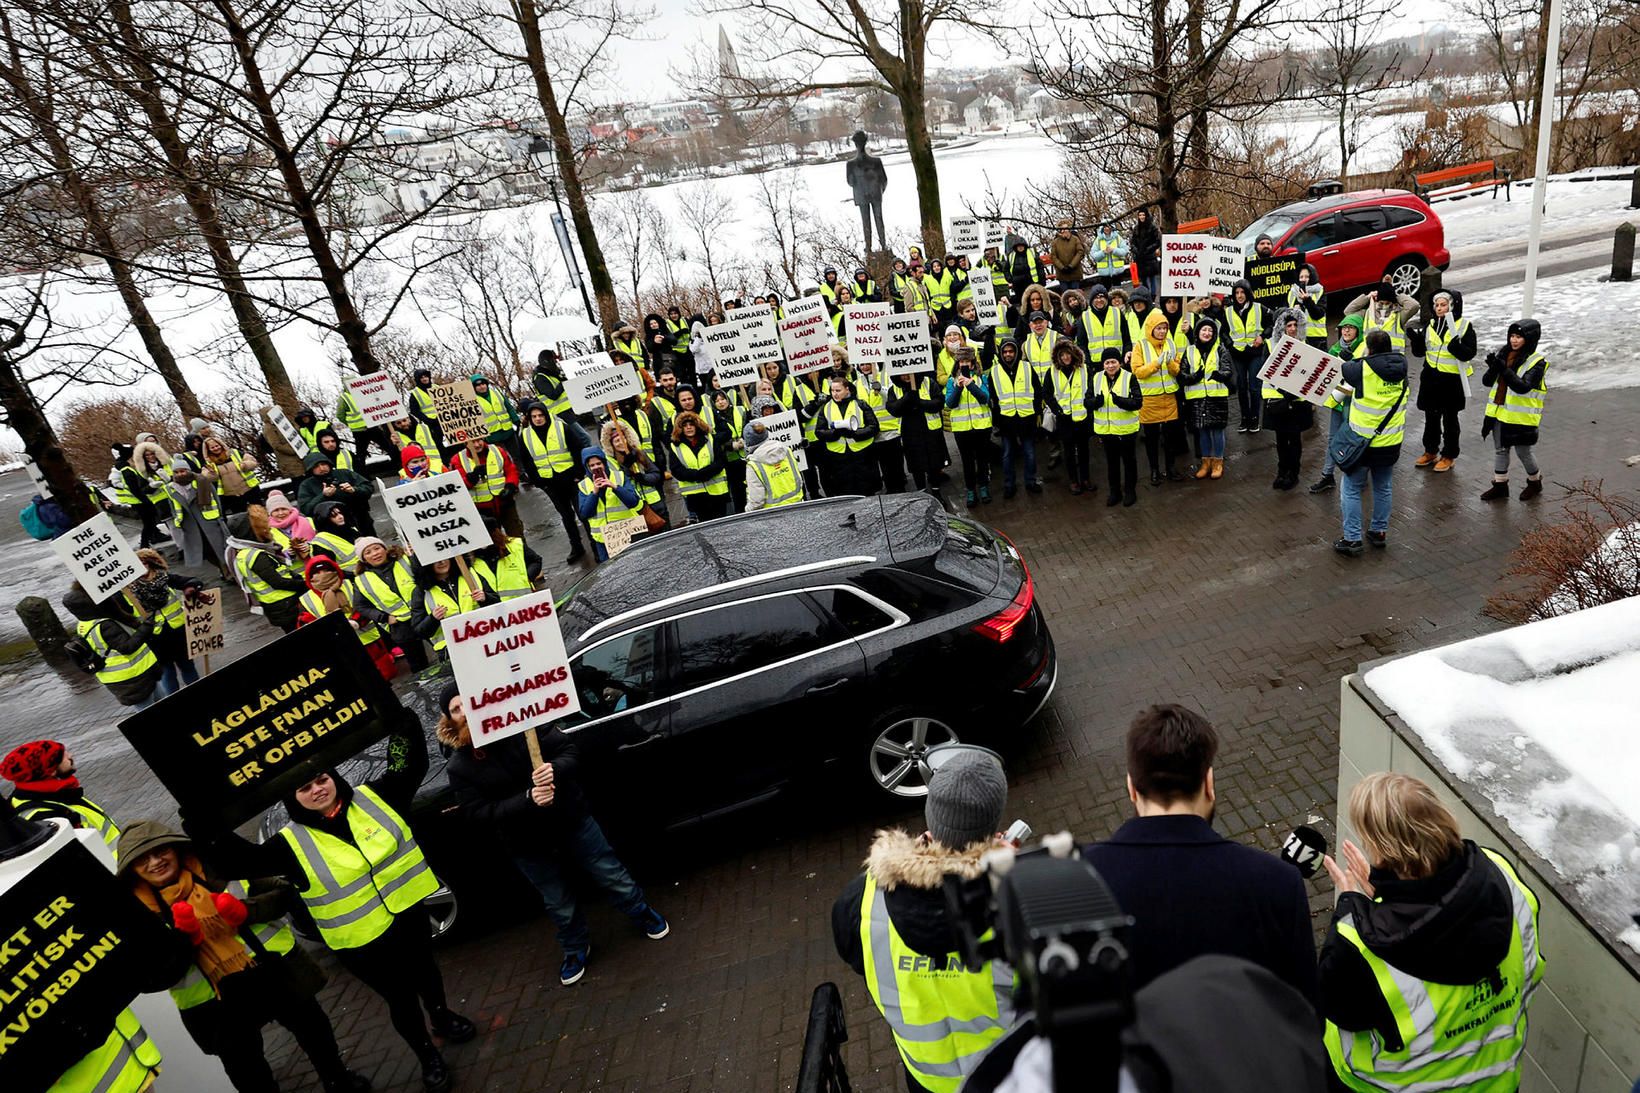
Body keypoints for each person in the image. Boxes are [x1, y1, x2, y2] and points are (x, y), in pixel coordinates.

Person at [193, 714, 477, 1093]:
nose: (317, 789)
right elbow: (235, 860)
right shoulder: (287, 844)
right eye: (304, 787)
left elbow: (406, 763)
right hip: (361, 942)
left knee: (426, 973)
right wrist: (204, 825)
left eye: (321, 779)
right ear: (292, 798)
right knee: (401, 998)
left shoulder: (377, 797)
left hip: (408, 913)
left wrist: (401, 723)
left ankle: (441, 1016)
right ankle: (427, 1054)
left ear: (334, 777)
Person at [435, 685, 670, 987]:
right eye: (456, 709)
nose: (465, 712)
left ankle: (641, 912)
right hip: (526, 842)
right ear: (449, 719)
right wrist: (527, 799)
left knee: (610, 872)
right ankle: (575, 947)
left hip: (569, 818)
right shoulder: (461, 766)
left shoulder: (522, 723)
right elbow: (476, 812)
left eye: (468, 703)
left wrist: (553, 770)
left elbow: (569, 751)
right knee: (557, 900)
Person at [1320, 773, 1542, 1093]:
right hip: (1497, 1083)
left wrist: (1351, 908)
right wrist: (1387, 895)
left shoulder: (1359, 944)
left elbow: (1336, 1006)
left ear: (1382, 852)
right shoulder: (1502, 877)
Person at [1080, 705, 1316, 998]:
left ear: (1131, 787)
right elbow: (1306, 1018)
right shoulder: (1278, 883)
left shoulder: (1077, 881)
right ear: (1208, 783)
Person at [118, 822, 369, 1093]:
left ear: (176, 848)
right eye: (142, 859)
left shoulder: (218, 868)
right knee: (248, 1071)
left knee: (315, 1032)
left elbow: (285, 893)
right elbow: (150, 979)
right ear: (131, 869)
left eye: (161, 850)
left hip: (274, 973)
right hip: (216, 1004)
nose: (155, 862)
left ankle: (339, 1082)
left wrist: (247, 911)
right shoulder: (134, 915)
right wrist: (184, 942)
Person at [831, 748, 1017, 1093]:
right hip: (1006, 1078)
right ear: (994, 828)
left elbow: (859, 959)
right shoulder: (1021, 903)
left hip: (926, 1080)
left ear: (931, 819)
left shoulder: (858, 903)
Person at [1334, 329, 1409, 556]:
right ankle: (1378, 531)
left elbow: (1343, 375)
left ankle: (1352, 539)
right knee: (1383, 487)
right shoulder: (1402, 370)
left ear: (1369, 348)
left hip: (1363, 445)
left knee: (1351, 489)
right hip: (1391, 443)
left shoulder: (1361, 370)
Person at [62, 582, 171, 710]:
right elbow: (128, 647)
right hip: (133, 677)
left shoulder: (83, 624)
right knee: (149, 710)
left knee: (160, 702)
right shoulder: (105, 625)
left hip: (129, 677)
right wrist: (146, 627)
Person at [3, 738, 123, 853]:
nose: (70, 756)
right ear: (50, 771)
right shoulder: (46, 816)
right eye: (62, 756)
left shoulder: (58, 792)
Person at [1480, 318, 1548, 503]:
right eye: (1512, 336)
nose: (1514, 340)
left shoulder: (1537, 362)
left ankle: (1535, 482)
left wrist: (1503, 369)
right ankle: (1500, 486)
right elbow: (1487, 382)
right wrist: (1494, 367)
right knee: (1501, 450)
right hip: (1499, 414)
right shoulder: (1504, 355)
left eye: (1519, 336)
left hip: (1521, 417)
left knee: (1523, 452)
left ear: (1530, 339)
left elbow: (1522, 387)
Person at [1407, 290, 1476, 473]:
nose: (1439, 308)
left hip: (1452, 381)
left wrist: (1458, 348)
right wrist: (1416, 342)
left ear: (1453, 306)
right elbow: (1421, 353)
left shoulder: (1464, 326)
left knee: (1450, 420)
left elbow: (1470, 353)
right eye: (1437, 305)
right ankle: (1430, 451)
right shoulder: (1430, 325)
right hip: (1431, 378)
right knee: (1431, 417)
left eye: (1443, 305)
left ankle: (1449, 455)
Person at [297, 554, 396, 679]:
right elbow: (306, 626)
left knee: (387, 674)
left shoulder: (351, 584)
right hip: (340, 647)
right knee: (362, 681)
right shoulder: (306, 599)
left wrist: (356, 622)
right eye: (317, 573)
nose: (323, 575)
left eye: (327, 570)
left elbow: (366, 605)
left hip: (369, 640)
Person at [517, 399, 591, 563]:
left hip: (571, 478)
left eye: (540, 415)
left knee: (582, 512)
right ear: (529, 418)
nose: (538, 419)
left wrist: (579, 473)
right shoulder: (526, 435)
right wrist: (538, 481)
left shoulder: (560, 427)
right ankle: (576, 547)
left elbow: (577, 448)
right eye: (534, 416)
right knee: (566, 516)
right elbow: (526, 460)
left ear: (546, 415)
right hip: (550, 483)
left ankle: (595, 543)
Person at [130, 548, 204, 693]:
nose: (142, 566)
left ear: (151, 563)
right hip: (155, 639)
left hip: (179, 634)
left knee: (188, 667)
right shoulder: (129, 590)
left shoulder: (165, 578)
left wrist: (190, 588)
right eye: (137, 563)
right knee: (167, 674)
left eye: (144, 562)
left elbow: (193, 581)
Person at [1309, 312, 1367, 494]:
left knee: (1356, 441)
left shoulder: (1364, 349)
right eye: (1344, 327)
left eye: (1351, 328)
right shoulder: (1334, 349)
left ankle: (1359, 475)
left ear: (1358, 331)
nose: (1347, 331)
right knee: (1333, 439)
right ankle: (1327, 475)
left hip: (1356, 404)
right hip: (1339, 402)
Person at [353, 536, 429, 672]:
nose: (375, 553)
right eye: (368, 552)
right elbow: (361, 606)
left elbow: (424, 575)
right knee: (419, 666)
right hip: (401, 626)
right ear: (363, 559)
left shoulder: (404, 560)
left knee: (445, 649)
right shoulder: (361, 580)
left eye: (377, 548)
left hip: (427, 613)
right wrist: (384, 618)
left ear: (384, 549)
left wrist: (415, 556)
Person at [1131, 306, 1185, 485]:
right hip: (1149, 399)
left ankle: (1170, 468)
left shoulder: (1170, 343)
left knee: (1170, 438)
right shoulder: (1140, 346)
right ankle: (1154, 470)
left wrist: (1170, 364)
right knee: (1152, 439)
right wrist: (1156, 364)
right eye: (1159, 328)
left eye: (1164, 328)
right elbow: (1137, 372)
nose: (1162, 331)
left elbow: (1177, 370)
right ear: (1151, 328)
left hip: (1169, 398)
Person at [1263, 308, 1315, 491]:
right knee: (1281, 439)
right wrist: (1286, 391)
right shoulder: (1270, 345)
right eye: (1288, 325)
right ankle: (1282, 471)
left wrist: (1293, 392)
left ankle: (1293, 472)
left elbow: (1309, 372)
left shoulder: (1304, 344)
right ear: (1281, 327)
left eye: (1295, 325)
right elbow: (1266, 372)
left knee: (1294, 438)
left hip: (1297, 402)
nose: (1292, 328)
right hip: (1278, 401)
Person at [1178, 316, 1233, 480]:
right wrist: (1195, 376)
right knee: (1202, 432)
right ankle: (1205, 462)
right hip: (1197, 398)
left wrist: (1219, 375)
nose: (1207, 333)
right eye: (1204, 330)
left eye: (1210, 330)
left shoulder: (1220, 349)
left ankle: (1217, 462)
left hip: (1216, 396)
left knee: (1217, 430)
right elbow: (1182, 374)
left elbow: (1228, 370)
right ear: (1198, 332)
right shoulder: (1189, 351)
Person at [989, 335, 1040, 499]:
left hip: (1026, 418)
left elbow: (1037, 390)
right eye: (1005, 352)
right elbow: (993, 398)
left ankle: (1030, 481)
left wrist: (1036, 412)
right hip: (1006, 420)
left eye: (1011, 351)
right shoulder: (994, 372)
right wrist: (996, 421)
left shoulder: (1026, 367)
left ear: (1016, 352)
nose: (1008, 354)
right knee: (1007, 454)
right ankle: (1009, 485)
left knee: (1030, 453)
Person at [1091, 346, 1142, 507]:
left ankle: (1130, 491)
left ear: (1119, 363)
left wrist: (1120, 401)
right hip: (1106, 431)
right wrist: (1095, 402)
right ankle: (1114, 492)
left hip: (1126, 430)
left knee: (1129, 462)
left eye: (1113, 362)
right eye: (1107, 363)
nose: (1110, 366)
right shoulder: (1096, 378)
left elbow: (1138, 402)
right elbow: (1087, 401)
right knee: (1112, 463)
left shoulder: (1129, 377)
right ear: (1103, 364)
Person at [411, 555, 493, 656]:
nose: (441, 561)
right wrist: (433, 619)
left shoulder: (471, 576)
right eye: (434, 561)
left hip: (485, 641)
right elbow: (419, 631)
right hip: (451, 652)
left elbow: (497, 604)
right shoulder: (421, 592)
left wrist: (486, 598)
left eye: (445, 556)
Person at [814, 374, 880, 497]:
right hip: (839, 457)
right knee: (846, 492)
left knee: (867, 490)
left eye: (838, 390)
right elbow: (819, 432)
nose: (835, 394)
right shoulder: (826, 408)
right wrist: (835, 433)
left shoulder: (860, 404)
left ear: (847, 389)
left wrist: (855, 434)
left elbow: (874, 427)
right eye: (832, 391)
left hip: (862, 455)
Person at [163, 455, 229, 574]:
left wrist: (220, 517)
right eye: (176, 472)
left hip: (209, 521)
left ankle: (228, 571)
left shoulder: (201, 481)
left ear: (188, 470)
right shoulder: (170, 488)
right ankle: (222, 569)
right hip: (190, 525)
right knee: (205, 551)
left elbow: (216, 499)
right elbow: (173, 506)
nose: (180, 474)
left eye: (182, 471)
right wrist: (179, 521)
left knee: (221, 548)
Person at [1042, 339, 1092, 495]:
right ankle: (1073, 481)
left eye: (1067, 353)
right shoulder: (1052, 372)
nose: (1065, 357)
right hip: (1065, 418)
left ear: (1073, 353)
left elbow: (1091, 388)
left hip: (1082, 416)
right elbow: (1047, 393)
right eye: (1062, 354)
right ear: (1057, 356)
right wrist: (1057, 410)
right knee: (1069, 451)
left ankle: (1085, 478)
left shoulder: (1084, 369)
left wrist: (1088, 406)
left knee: (1084, 450)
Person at [946, 346, 993, 508]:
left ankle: (984, 487)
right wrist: (959, 388)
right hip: (962, 428)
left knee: (982, 460)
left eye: (967, 361)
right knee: (967, 462)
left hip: (981, 426)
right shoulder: (952, 381)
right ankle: (971, 491)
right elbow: (950, 403)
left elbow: (985, 398)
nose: (964, 364)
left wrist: (971, 385)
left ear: (973, 363)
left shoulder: (981, 378)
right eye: (961, 362)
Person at [450, 435, 523, 539]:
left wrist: (510, 486)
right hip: (482, 509)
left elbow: (510, 470)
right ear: (465, 443)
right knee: (496, 543)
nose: (476, 444)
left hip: (505, 502)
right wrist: (473, 477)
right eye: (472, 442)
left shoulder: (497, 451)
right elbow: (458, 485)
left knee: (517, 536)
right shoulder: (457, 459)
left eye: (478, 440)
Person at [577, 447, 642, 562]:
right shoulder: (584, 485)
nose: (596, 467)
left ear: (604, 463)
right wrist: (594, 493)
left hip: (628, 534)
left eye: (598, 463)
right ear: (587, 467)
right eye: (592, 466)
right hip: (603, 541)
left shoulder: (619, 477)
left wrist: (614, 487)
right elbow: (584, 513)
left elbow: (633, 501)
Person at [886, 371, 946, 494]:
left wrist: (920, 402)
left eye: (910, 373)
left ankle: (936, 491)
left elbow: (939, 402)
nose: (906, 376)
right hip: (909, 433)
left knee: (934, 463)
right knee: (916, 465)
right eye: (903, 373)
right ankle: (921, 493)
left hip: (930, 431)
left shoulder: (928, 383)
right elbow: (893, 409)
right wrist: (908, 397)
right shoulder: (894, 389)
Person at [602, 415, 667, 525]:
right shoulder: (610, 462)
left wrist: (643, 478)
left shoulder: (639, 453)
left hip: (655, 504)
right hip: (635, 509)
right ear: (611, 445)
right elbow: (619, 483)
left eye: (623, 439)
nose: (621, 443)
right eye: (616, 441)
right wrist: (627, 467)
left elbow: (656, 474)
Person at [742, 404, 807, 510]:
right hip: (798, 504)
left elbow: (757, 500)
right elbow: (798, 479)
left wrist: (747, 511)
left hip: (773, 514)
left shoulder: (753, 465)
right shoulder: (786, 451)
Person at [669, 409, 729, 521]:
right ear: (680, 428)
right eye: (685, 425)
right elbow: (676, 470)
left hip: (717, 492)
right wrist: (695, 475)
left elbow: (720, 461)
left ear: (697, 426)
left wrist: (705, 473)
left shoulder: (710, 439)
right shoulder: (675, 446)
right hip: (696, 497)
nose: (689, 427)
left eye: (691, 424)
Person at [295, 452, 376, 534]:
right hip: (331, 527)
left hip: (360, 519)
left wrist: (354, 490)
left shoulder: (344, 473)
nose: (321, 468)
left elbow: (368, 487)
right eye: (316, 466)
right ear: (311, 469)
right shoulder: (306, 485)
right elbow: (305, 509)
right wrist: (323, 496)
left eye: (323, 464)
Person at [1224, 279, 1266, 433]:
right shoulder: (1228, 311)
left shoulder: (1258, 307)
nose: (1240, 295)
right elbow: (1223, 331)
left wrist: (1262, 336)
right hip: (1238, 354)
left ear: (1248, 293)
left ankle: (1254, 419)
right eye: (1237, 293)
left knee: (1254, 387)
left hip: (1255, 352)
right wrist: (1229, 344)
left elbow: (1271, 322)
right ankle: (1244, 419)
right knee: (1241, 386)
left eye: (1242, 292)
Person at [111, 440, 167, 548]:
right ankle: (144, 545)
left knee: (149, 523)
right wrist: (146, 500)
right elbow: (134, 489)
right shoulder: (126, 470)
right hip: (138, 500)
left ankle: (149, 541)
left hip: (137, 500)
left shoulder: (124, 468)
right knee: (148, 523)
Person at [473, 517, 542, 601]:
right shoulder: (470, 559)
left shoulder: (515, 546)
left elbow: (535, 561)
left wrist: (526, 577)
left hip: (524, 603)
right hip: (493, 608)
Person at [1346, 280, 1419, 354]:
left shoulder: (1399, 316)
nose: (1384, 306)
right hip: (1368, 356)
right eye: (1381, 303)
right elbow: (1348, 312)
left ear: (1393, 302)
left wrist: (1396, 296)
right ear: (1376, 300)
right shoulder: (1367, 313)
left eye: (1388, 303)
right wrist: (1367, 297)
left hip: (1391, 357)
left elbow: (1414, 305)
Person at [198, 435, 263, 514]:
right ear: (208, 450)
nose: (216, 448)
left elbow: (253, 462)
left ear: (221, 445)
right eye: (212, 448)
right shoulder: (208, 463)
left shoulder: (235, 453)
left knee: (260, 512)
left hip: (250, 489)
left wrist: (245, 465)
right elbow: (207, 477)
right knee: (242, 518)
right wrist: (212, 473)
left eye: (217, 446)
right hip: (231, 496)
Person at [709, 388, 750, 508]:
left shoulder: (741, 410)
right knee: (737, 490)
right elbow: (714, 439)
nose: (721, 402)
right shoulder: (713, 418)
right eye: (717, 401)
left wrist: (745, 439)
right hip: (729, 459)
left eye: (723, 399)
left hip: (747, 455)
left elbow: (749, 425)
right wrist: (729, 446)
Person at [470, 374, 520, 451]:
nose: (481, 387)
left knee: (516, 456)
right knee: (501, 458)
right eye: (478, 385)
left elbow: (509, 407)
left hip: (508, 431)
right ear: (474, 388)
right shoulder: (472, 401)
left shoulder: (496, 393)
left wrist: (515, 419)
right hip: (492, 436)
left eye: (483, 384)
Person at [1288, 263, 1328, 348]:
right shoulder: (1293, 292)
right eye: (1301, 277)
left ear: (1313, 277)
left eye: (1307, 277)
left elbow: (1318, 315)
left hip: (1316, 338)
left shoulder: (1319, 291)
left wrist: (1307, 301)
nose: (1304, 279)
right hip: (1297, 337)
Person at [530, 349, 574, 419]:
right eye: (554, 360)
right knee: (580, 430)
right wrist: (563, 383)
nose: (556, 362)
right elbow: (553, 395)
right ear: (547, 361)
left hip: (568, 410)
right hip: (559, 414)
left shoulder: (552, 374)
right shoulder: (540, 378)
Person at [1048, 219, 1087, 293]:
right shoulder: (1055, 242)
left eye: (1065, 228)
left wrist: (1072, 265)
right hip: (1062, 275)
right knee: (1066, 296)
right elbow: (1053, 256)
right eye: (1061, 229)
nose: (1063, 231)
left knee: (1076, 294)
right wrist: (1061, 267)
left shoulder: (1075, 239)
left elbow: (1080, 252)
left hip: (1075, 272)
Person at [1131, 208, 1162, 297]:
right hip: (1140, 257)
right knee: (1143, 279)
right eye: (1140, 215)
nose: (1141, 217)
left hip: (1150, 256)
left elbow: (1157, 241)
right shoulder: (1136, 228)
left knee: (1152, 278)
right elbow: (1132, 242)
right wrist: (1136, 250)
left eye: (1143, 215)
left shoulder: (1152, 228)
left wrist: (1148, 250)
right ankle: (1146, 296)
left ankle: (1153, 296)